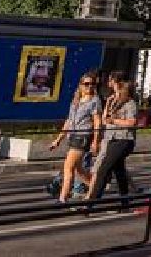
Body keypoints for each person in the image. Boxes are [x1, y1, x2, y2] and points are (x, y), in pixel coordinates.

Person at [49, 72, 101, 204]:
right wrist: (58, 139)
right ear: (81, 85)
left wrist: (96, 141)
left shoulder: (94, 101)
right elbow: (69, 121)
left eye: (92, 84)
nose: (89, 87)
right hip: (72, 136)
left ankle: (63, 198)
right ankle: (96, 188)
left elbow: (97, 122)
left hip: (83, 136)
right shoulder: (76, 101)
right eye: (86, 84)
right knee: (79, 170)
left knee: (68, 166)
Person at [88, 79, 138, 207]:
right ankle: (125, 200)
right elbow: (105, 119)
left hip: (124, 139)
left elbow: (132, 122)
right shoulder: (114, 103)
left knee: (104, 168)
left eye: (117, 91)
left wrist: (114, 121)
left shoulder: (130, 104)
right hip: (111, 139)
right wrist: (108, 103)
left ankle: (91, 202)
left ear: (124, 92)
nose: (114, 93)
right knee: (119, 170)